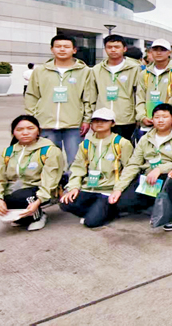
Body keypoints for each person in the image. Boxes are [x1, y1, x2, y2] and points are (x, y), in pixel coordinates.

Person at [25, 34, 95, 166]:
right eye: (58, 46)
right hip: (46, 124)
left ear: (74, 50)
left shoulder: (85, 71)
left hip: (74, 124)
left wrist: (87, 120)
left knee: (76, 161)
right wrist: (33, 119)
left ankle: (74, 180)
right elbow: (32, 95)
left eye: (66, 47)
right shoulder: (40, 71)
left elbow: (88, 97)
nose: (62, 49)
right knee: (49, 161)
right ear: (52, 49)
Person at [59, 109, 134, 228]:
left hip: (109, 190)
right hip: (90, 188)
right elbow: (78, 168)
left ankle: (109, 211)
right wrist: (74, 187)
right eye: (96, 120)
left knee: (91, 222)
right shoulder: (85, 144)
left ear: (113, 123)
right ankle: (99, 209)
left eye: (104, 120)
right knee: (65, 203)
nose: (99, 123)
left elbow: (130, 169)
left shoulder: (121, 143)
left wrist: (118, 189)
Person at [0, 115, 62, 233]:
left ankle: (38, 215)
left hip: (40, 189)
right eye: (19, 129)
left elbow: (50, 180)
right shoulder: (7, 153)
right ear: (13, 133)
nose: (25, 133)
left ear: (38, 131)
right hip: (16, 190)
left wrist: (39, 201)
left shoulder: (49, 150)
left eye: (30, 128)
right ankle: (22, 216)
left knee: (17, 200)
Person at [114, 103, 172, 216]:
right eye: (157, 117)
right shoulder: (145, 138)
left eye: (165, 117)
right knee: (122, 203)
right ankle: (152, 204)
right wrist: (118, 188)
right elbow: (134, 164)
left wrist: (159, 169)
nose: (160, 120)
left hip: (169, 176)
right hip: (148, 178)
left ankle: (158, 205)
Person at [92, 34, 140, 141]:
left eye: (117, 47)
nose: (113, 50)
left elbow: (138, 94)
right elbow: (91, 95)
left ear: (124, 49)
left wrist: (138, 116)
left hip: (125, 119)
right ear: (105, 49)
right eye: (109, 47)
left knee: (124, 148)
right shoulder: (96, 69)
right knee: (103, 148)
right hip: (102, 118)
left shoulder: (134, 68)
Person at [135, 39, 172, 137]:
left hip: (169, 126)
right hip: (147, 125)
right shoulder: (144, 74)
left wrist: (169, 118)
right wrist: (142, 117)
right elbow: (140, 97)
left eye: (163, 50)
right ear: (151, 52)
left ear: (169, 52)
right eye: (155, 49)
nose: (159, 53)